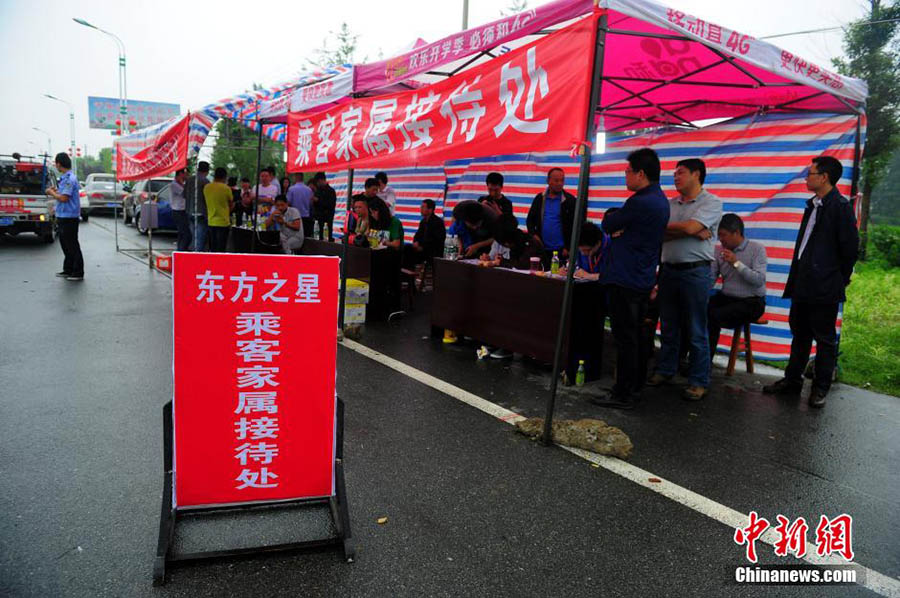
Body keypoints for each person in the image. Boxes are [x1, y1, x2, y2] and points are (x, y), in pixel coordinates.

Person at [763, 156, 859, 408]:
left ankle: (820, 388)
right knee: (800, 334)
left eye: (811, 173)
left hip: (824, 285)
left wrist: (839, 278)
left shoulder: (840, 207)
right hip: (803, 281)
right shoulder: (813, 205)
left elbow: (849, 250)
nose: (807, 177)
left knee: (824, 339)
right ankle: (792, 381)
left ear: (824, 177)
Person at [592, 148, 669, 410]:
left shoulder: (640, 201)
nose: (625, 176)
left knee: (626, 338)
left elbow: (609, 224)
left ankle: (623, 392)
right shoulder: (660, 200)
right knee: (635, 337)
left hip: (626, 277)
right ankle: (632, 388)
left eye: (627, 171)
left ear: (641, 173)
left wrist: (615, 223)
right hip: (641, 276)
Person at [648, 158, 723, 401]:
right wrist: (688, 229)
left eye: (680, 173)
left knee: (696, 328)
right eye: (675, 173)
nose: (675, 176)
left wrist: (684, 229)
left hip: (696, 272)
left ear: (696, 174)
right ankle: (666, 369)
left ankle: (699, 381)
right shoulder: (670, 203)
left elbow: (690, 229)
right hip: (668, 269)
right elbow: (659, 232)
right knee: (668, 325)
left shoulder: (711, 202)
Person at [708, 213, 767, 356]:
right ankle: (689, 358)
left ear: (736, 233)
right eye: (719, 235)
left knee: (713, 316)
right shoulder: (718, 251)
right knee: (696, 311)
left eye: (724, 235)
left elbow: (759, 279)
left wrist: (736, 263)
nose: (721, 239)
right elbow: (711, 279)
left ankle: (704, 364)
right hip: (727, 297)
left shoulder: (757, 249)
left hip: (751, 301)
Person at [526, 167, 581, 267]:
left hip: (562, 252)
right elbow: (530, 220)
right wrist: (534, 235)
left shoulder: (570, 200)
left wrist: (568, 247)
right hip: (542, 249)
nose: (560, 183)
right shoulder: (540, 198)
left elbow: (576, 225)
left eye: (562, 180)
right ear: (548, 181)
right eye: (556, 180)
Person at [45, 152, 83, 281]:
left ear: (59, 164)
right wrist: (55, 192)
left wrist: (51, 193)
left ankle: (78, 272)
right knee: (65, 244)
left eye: (56, 164)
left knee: (72, 244)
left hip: (69, 216)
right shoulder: (64, 178)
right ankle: (68, 269)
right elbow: (62, 194)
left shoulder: (69, 179)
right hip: (63, 215)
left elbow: (64, 198)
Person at [404, 199, 446, 268]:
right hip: (422, 249)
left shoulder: (438, 222)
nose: (421, 209)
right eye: (421, 207)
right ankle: (408, 274)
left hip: (432, 251)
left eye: (423, 207)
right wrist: (416, 242)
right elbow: (418, 235)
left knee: (410, 252)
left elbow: (437, 241)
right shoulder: (423, 221)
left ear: (430, 210)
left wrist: (423, 247)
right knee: (407, 248)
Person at [204, 167, 233, 253]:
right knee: (221, 247)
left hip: (211, 220)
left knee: (213, 246)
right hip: (223, 221)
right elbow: (231, 203)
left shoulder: (206, 187)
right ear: (224, 176)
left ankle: (212, 263)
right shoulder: (226, 188)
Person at [184, 161, 210, 251]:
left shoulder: (189, 180)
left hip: (189, 211)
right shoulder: (206, 182)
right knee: (199, 239)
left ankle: (192, 254)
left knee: (194, 237)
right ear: (207, 171)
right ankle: (196, 258)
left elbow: (184, 195)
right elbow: (208, 199)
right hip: (201, 213)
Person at [170, 168, 192, 251]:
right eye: (185, 174)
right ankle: (182, 250)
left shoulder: (181, 184)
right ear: (180, 174)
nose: (186, 176)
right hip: (178, 211)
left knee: (182, 233)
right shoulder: (174, 184)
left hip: (183, 210)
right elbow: (185, 193)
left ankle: (180, 250)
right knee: (186, 234)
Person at [310, 172, 337, 240]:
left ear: (322, 180)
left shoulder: (331, 191)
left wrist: (318, 201)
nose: (318, 184)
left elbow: (331, 205)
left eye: (318, 182)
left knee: (326, 239)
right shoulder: (318, 191)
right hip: (318, 220)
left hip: (327, 220)